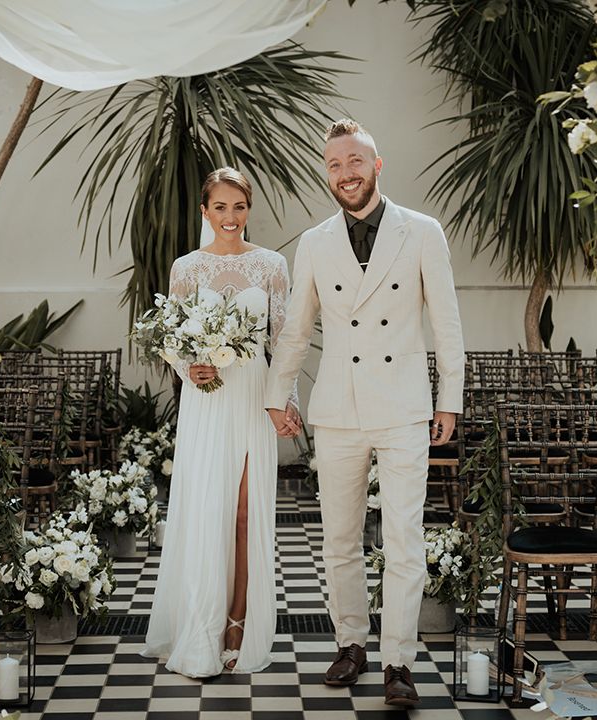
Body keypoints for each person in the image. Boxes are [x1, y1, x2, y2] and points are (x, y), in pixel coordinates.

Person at [265, 119, 464, 707]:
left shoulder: (422, 232)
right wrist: (280, 397)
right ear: (326, 173)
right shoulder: (316, 241)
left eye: (355, 162)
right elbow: (297, 330)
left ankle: (398, 660)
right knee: (340, 538)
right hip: (338, 409)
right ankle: (351, 643)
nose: (345, 173)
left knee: (404, 539)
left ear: (377, 165)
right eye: (334, 165)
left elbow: (446, 323)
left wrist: (449, 397)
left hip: (404, 408)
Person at [143, 167, 300, 677]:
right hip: (208, 399)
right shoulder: (186, 268)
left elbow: (285, 342)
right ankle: (201, 625)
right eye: (220, 207)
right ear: (205, 211)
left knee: (245, 514)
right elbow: (171, 337)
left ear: (248, 209)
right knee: (207, 511)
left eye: (238, 206)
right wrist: (189, 366)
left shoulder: (272, 265)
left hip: (254, 396)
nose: (230, 217)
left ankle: (239, 619)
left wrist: (287, 402)